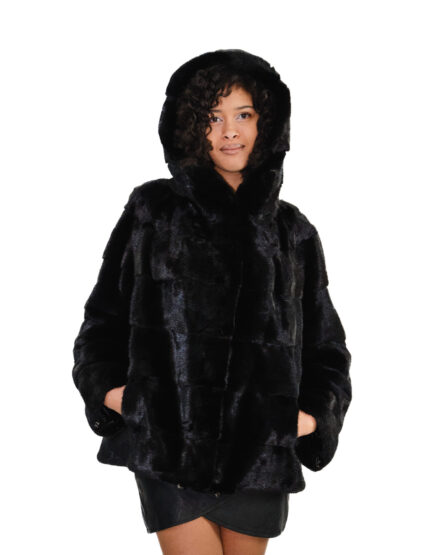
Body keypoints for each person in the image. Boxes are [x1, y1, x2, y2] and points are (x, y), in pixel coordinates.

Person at [72, 48, 352, 555]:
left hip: (258, 457)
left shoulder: (293, 232)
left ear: (267, 123)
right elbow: (102, 322)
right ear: (190, 127)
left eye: (243, 115)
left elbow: (326, 347)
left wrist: (312, 417)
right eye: (212, 117)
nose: (229, 132)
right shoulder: (151, 211)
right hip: (169, 450)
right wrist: (119, 396)